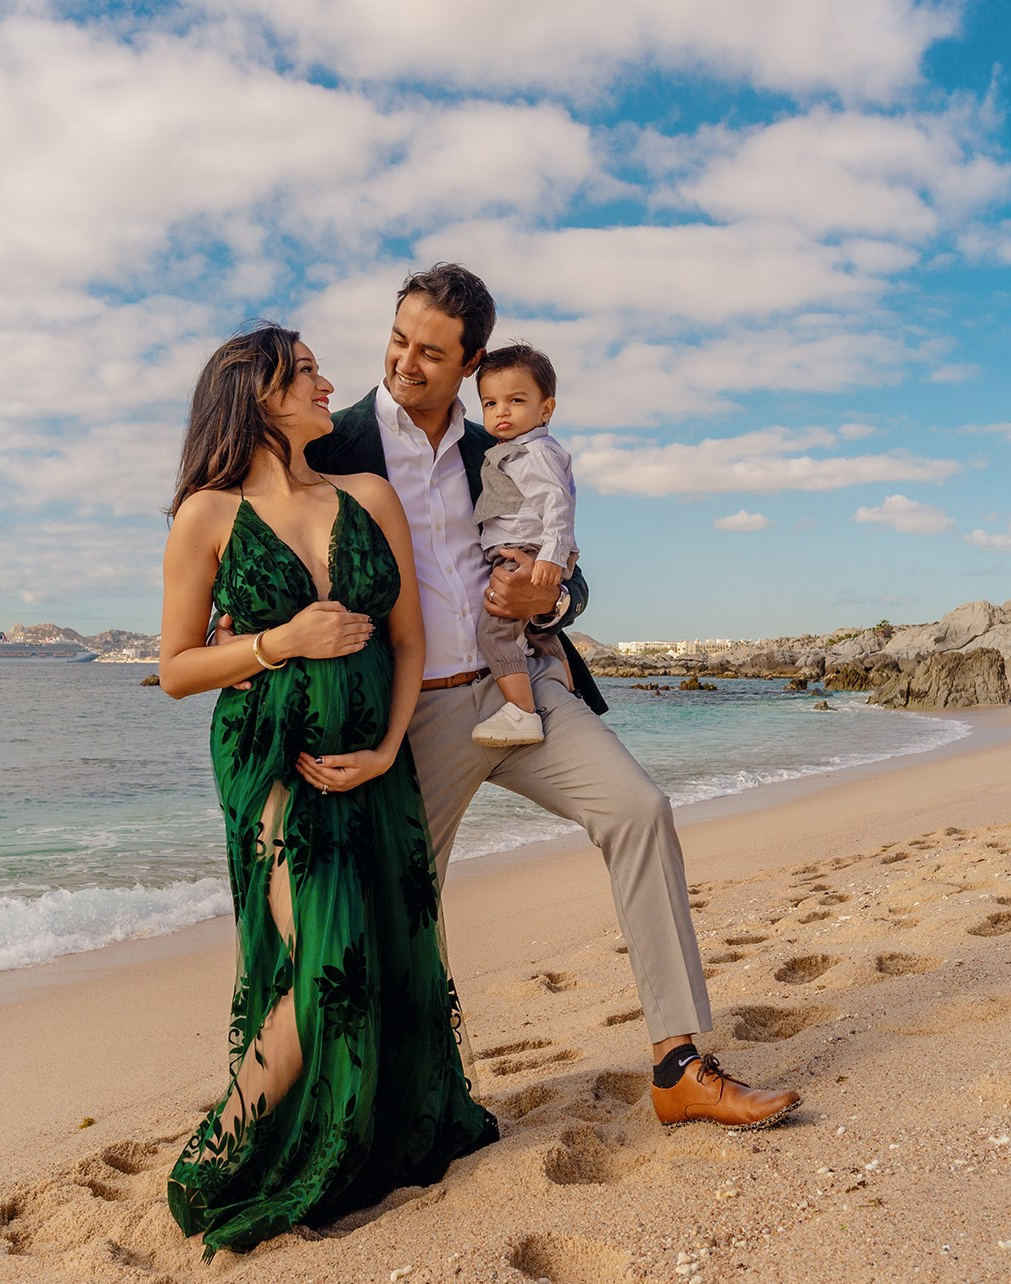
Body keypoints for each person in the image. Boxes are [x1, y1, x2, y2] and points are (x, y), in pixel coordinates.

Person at [302, 264, 802, 1130]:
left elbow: (567, 574)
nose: (404, 363)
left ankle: (679, 1064)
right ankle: (422, 1101)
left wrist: (553, 601)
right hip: (409, 715)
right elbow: (246, 518)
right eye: (397, 340)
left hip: (522, 688)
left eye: (430, 351)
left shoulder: (499, 441)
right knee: (408, 906)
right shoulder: (335, 444)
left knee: (640, 808)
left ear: (472, 361)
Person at [156, 326, 497, 1255]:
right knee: (324, 966)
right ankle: (216, 1155)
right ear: (255, 391)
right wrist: (282, 643)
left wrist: (390, 748)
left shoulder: (370, 495)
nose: (327, 384)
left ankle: (358, 1132)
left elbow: (410, 642)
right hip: (270, 762)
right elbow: (179, 667)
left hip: (373, 763)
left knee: (385, 944)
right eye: (307, 372)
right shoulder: (208, 516)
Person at [467, 342, 576, 748]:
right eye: (490, 403)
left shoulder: (535, 453)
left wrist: (551, 555)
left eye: (515, 400)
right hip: (528, 548)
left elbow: (556, 503)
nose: (501, 412)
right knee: (539, 635)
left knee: (495, 632)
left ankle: (522, 714)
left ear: (545, 409)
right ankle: (566, 690)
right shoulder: (511, 451)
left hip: (527, 551)